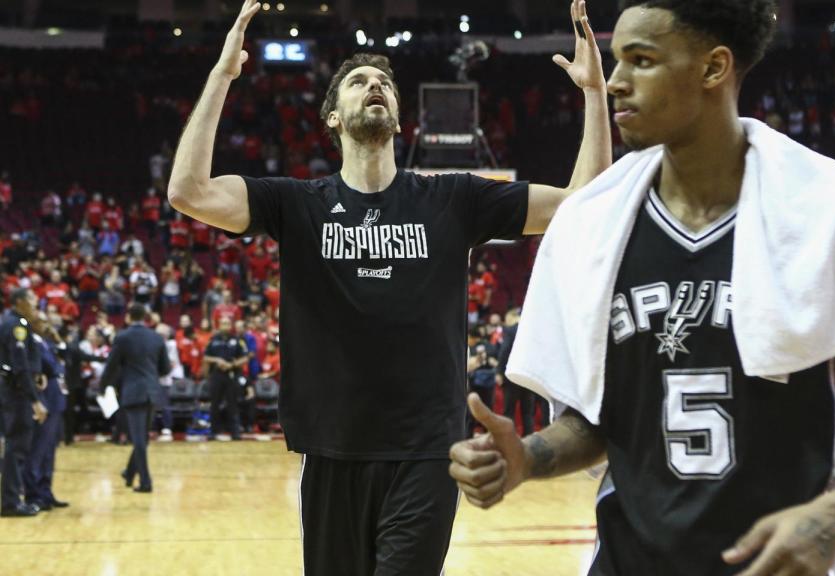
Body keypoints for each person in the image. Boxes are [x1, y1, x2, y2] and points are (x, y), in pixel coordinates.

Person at [448, 2, 835, 575]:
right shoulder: (589, 224)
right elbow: (597, 423)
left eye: (642, 60)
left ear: (713, 68)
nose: (615, 81)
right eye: (616, 60)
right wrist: (525, 459)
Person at [166, 1, 610, 573]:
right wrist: (222, 76)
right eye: (357, 81)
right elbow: (188, 192)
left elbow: (584, 205)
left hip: (426, 452)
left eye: (384, 82)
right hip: (331, 450)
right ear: (332, 117)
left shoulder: (453, 198)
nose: (373, 85)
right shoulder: (297, 203)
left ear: (400, 118)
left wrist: (595, 94)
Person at [100, 303, 171, 493]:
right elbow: (165, 369)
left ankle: (146, 482)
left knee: (138, 440)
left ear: (128, 317)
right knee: (142, 438)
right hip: (152, 391)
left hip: (132, 391)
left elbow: (111, 365)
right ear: (145, 317)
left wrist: (102, 387)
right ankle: (130, 473)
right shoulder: (156, 337)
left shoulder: (122, 337)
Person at [0, 288, 49, 517]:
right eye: (31, 298)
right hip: (16, 393)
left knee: (16, 446)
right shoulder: (16, 324)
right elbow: (19, 365)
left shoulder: (14, 321)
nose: (35, 302)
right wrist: (35, 401)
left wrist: (37, 374)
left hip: (13, 390)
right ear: (19, 301)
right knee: (16, 447)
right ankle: (11, 502)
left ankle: (12, 498)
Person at [23, 331, 69, 511]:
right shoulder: (32, 339)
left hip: (56, 398)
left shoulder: (47, 341)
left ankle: (46, 492)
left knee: (49, 451)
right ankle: (33, 495)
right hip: (44, 397)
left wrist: (58, 341)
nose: (46, 323)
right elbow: (50, 365)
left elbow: (64, 360)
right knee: (37, 451)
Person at [203, 316, 248, 441]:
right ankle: (212, 432)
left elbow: (245, 358)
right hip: (217, 375)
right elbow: (206, 357)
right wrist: (217, 360)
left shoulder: (238, 340)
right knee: (214, 405)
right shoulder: (213, 340)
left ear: (231, 326)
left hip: (232, 375)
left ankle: (235, 432)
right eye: (223, 323)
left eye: (228, 323)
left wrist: (231, 364)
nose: (225, 326)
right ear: (219, 325)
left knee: (232, 404)